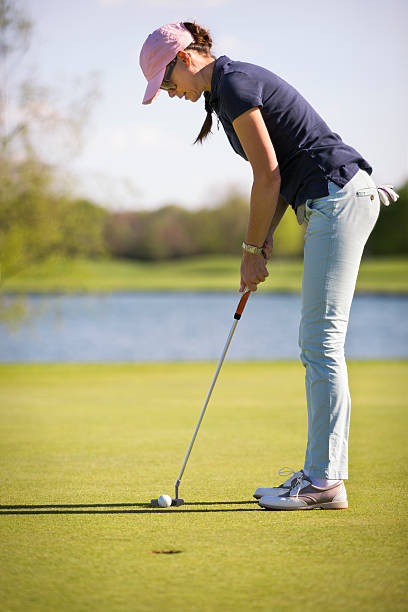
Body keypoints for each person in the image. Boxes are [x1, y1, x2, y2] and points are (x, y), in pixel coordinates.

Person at [139, 21, 398, 510]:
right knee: (318, 341)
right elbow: (277, 177)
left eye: (168, 82)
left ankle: (324, 482)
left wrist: (251, 250)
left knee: (320, 342)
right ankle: (321, 474)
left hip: (338, 197)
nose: (171, 94)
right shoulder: (225, 91)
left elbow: (267, 175)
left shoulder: (234, 85)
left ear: (186, 58)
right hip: (329, 199)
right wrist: (263, 240)